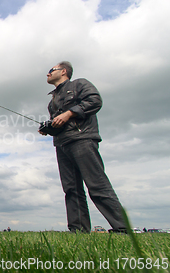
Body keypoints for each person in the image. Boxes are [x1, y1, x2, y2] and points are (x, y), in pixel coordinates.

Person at [39, 62, 126, 233]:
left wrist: (69, 113)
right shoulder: (53, 100)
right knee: (71, 189)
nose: (47, 74)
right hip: (62, 143)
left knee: (97, 184)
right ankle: (78, 230)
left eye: (51, 70)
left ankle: (122, 228)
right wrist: (49, 128)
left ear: (63, 71)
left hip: (82, 139)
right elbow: (61, 122)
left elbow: (95, 101)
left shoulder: (79, 84)